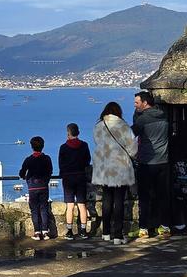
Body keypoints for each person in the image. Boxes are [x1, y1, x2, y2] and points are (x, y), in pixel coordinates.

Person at [92, 102, 138, 245]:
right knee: (119, 201)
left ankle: (106, 232)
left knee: (106, 199)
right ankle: (117, 235)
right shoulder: (123, 126)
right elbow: (132, 148)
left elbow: (97, 142)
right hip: (120, 167)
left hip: (104, 167)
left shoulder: (98, 126)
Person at [132, 91, 171, 239]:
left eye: (137, 102)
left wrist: (136, 116)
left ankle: (144, 228)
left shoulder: (142, 120)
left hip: (147, 162)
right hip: (163, 161)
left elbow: (131, 134)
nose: (135, 105)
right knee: (163, 195)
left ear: (145, 103)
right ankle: (165, 226)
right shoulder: (164, 116)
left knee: (145, 196)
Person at [58, 123, 92, 239]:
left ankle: (69, 231)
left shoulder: (63, 147)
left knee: (70, 205)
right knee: (82, 205)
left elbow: (61, 164)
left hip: (68, 178)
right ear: (78, 132)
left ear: (68, 133)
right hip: (81, 176)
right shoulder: (84, 145)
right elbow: (87, 160)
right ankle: (83, 230)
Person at [20, 136, 54, 241]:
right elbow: (50, 171)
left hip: (32, 188)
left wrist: (26, 178)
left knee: (34, 210)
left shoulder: (28, 160)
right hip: (44, 187)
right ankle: (45, 232)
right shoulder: (47, 158)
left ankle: (37, 232)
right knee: (44, 209)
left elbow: (22, 173)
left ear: (31, 146)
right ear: (43, 146)